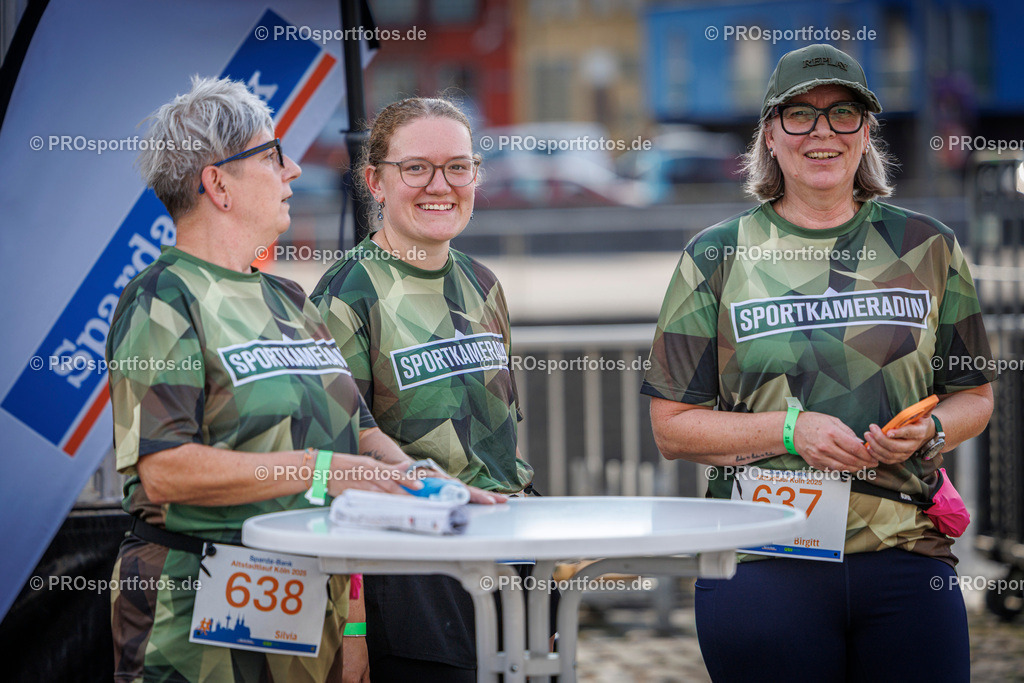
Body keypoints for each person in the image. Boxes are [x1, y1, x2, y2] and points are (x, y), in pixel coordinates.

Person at [642, 44, 995, 682]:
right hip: (763, 553)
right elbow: (672, 427)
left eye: (843, 115)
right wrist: (787, 430)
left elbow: (974, 396)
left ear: (867, 135)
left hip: (906, 552)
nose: (822, 133)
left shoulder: (929, 246)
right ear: (770, 137)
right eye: (800, 116)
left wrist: (933, 430)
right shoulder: (715, 255)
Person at [106, 76, 458, 683]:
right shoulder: (163, 297)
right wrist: (321, 471)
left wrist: (427, 486)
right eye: (271, 156)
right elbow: (163, 470)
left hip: (310, 614)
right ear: (216, 182)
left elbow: (361, 435)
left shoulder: (291, 299)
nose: (293, 170)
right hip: (194, 620)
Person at [311, 97, 534, 682]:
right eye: (416, 168)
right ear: (374, 182)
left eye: (458, 167)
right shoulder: (346, 293)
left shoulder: (483, 283)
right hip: (412, 580)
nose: (441, 184)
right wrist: (351, 627)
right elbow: (336, 468)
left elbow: (499, 449)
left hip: (509, 559)